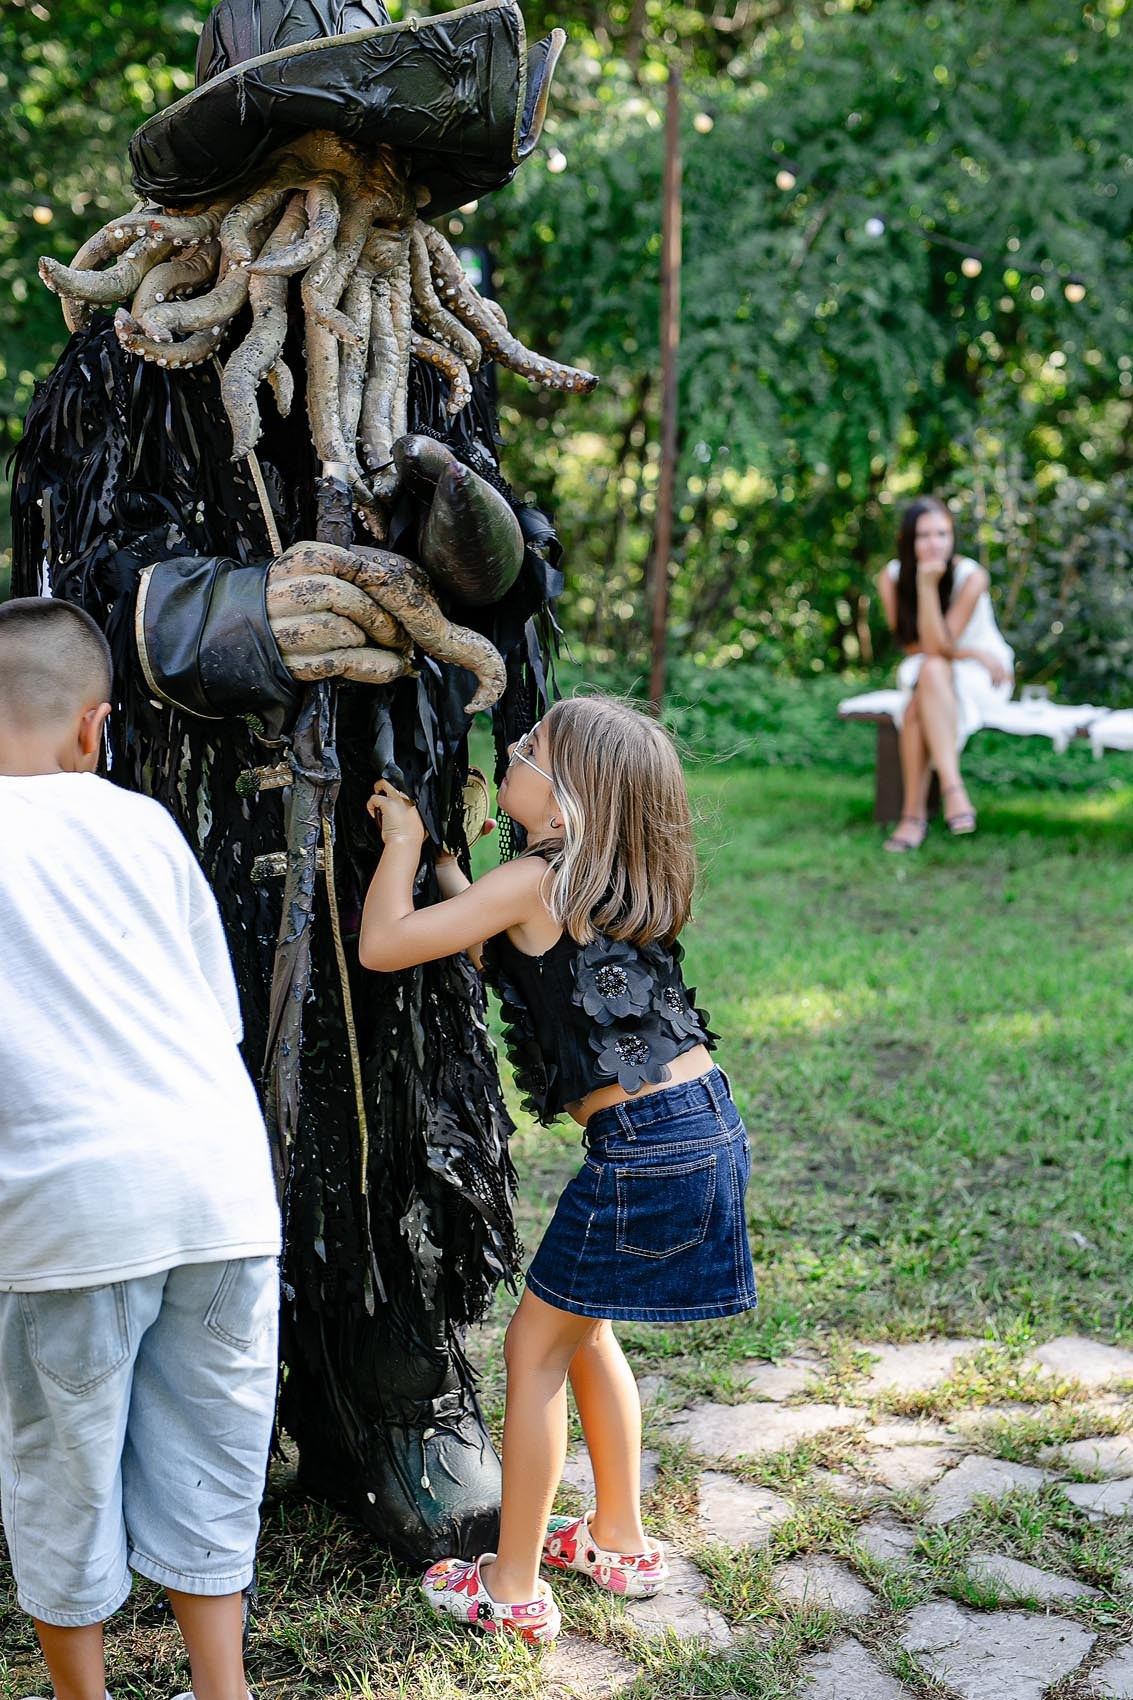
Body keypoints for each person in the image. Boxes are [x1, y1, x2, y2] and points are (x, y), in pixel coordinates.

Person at [358, 695, 757, 1643]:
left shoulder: (536, 878)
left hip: (643, 1148)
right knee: (584, 1332)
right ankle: (616, 1539)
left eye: (528, 750)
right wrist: (460, 864)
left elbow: (383, 948)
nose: (513, 753)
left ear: (566, 798)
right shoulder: (604, 877)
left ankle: (511, 1586)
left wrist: (406, 844)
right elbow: (498, 929)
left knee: (533, 1350)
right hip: (705, 1123)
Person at [0, 598, 281, 1700]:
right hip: (218, 1189)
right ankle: (225, 1690)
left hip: (70, 1212)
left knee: (62, 1475)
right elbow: (217, 1018)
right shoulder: (147, 826)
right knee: (211, 1456)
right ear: (93, 725)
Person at [876, 497, 1014, 852]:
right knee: (931, 671)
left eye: (943, 533)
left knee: (919, 698)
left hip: (985, 673)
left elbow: (940, 643)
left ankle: (913, 817)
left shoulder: (971, 576)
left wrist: (970, 654)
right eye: (924, 535)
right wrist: (923, 585)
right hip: (939, 662)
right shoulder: (891, 577)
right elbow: (914, 646)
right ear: (909, 541)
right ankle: (954, 791)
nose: (935, 543)